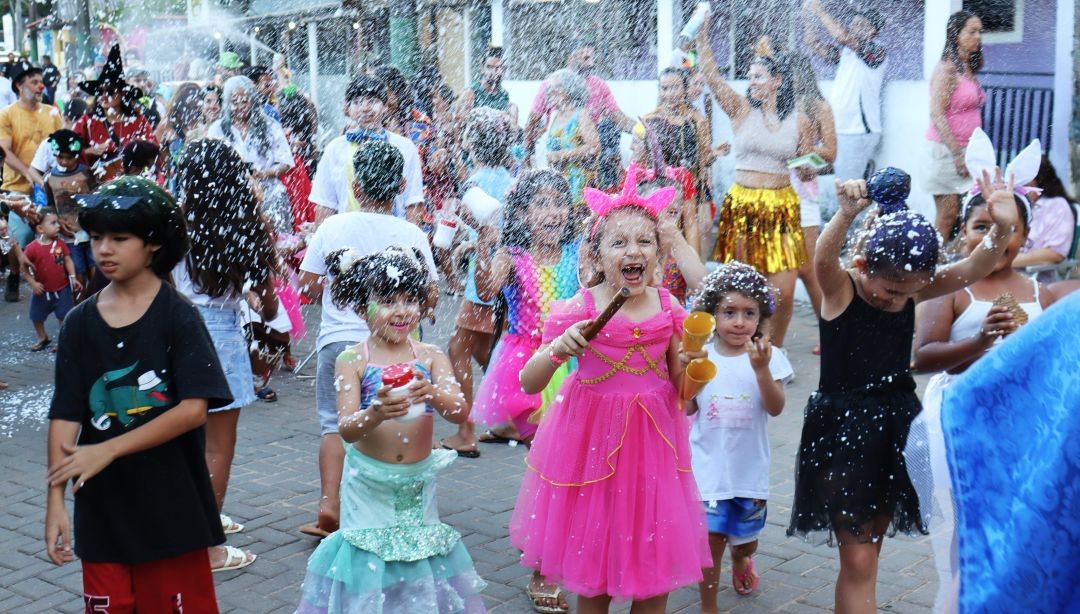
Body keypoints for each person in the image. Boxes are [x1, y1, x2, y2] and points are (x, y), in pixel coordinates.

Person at [787, 169, 1020, 614]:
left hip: (895, 425)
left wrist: (1003, 226)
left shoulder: (913, 284)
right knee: (857, 560)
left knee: (867, 558)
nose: (898, 299)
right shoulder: (842, 289)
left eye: (911, 291)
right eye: (891, 289)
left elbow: (975, 266)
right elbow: (821, 258)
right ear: (862, 266)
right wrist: (846, 214)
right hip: (844, 432)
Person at [510, 174, 711, 613]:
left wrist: (697, 369)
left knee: (654, 572)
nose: (633, 250)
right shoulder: (578, 308)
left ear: (658, 254)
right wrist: (558, 349)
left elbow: (683, 393)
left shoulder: (669, 308)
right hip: (590, 449)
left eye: (644, 241)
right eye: (619, 243)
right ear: (596, 255)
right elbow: (529, 383)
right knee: (593, 574)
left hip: (654, 451)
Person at [44, 177, 231, 612]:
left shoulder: (178, 315)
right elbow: (66, 414)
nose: (104, 249)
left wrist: (106, 449)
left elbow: (193, 410)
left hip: (173, 510)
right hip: (102, 513)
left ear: (152, 244)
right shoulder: (78, 323)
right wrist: (54, 501)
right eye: (96, 238)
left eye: (119, 238)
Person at [295, 247, 485, 613]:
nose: (401, 311)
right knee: (370, 563)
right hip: (368, 484)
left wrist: (431, 391)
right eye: (386, 300)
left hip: (416, 483)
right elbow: (347, 429)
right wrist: (377, 412)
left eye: (410, 300)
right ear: (359, 304)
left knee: (415, 561)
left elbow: (460, 409)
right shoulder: (353, 359)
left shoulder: (429, 356)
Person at [910, 172, 1054, 612]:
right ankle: (963, 595)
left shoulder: (1039, 293)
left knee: (1017, 514)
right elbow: (923, 357)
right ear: (964, 234)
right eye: (980, 227)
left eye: (1006, 229)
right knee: (967, 515)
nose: (993, 238)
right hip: (961, 416)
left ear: (1024, 236)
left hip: (1021, 421)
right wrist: (980, 341)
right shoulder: (953, 288)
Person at [296, 140, 439, 538]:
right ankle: (387, 507)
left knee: (335, 424)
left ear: (355, 187)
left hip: (339, 343)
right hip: (393, 347)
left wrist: (338, 275)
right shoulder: (411, 233)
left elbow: (307, 285)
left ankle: (330, 505)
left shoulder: (333, 226)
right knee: (391, 421)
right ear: (400, 186)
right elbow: (429, 295)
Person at [173, 140, 279, 572]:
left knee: (181, 441)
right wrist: (255, 296)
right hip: (221, 337)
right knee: (217, 447)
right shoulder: (246, 226)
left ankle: (184, 523)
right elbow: (269, 307)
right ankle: (207, 542)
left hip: (176, 332)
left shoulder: (172, 223)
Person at [695, 16, 813, 350]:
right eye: (750, 77)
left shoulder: (800, 120)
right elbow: (713, 78)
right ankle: (740, 347)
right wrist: (703, 40)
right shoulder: (740, 110)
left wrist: (808, 171)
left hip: (782, 205)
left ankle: (772, 350)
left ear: (777, 81)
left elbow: (804, 164)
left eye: (758, 76)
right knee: (743, 287)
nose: (752, 82)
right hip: (744, 204)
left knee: (784, 291)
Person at [689, 262, 791, 604]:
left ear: (761, 318)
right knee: (711, 540)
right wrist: (686, 377)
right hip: (709, 470)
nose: (739, 321)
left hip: (750, 472)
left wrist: (761, 369)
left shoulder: (769, 356)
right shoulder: (700, 356)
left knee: (745, 540)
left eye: (749, 313)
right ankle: (708, 605)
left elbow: (776, 407)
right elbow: (688, 409)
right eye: (729, 312)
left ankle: (742, 556)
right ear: (712, 314)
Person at [471, 169, 581, 445]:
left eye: (560, 203)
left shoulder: (576, 252)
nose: (554, 212)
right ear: (522, 214)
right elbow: (486, 292)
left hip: (570, 357)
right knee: (543, 439)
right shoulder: (510, 257)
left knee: (568, 438)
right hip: (527, 359)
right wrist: (483, 249)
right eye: (542, 204)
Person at [440, 107, 516, 457]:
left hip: (482, 280)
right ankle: (511, 418)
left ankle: (466, 430)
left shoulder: (474, 185)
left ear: (473, 145)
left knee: (458, 350)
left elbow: (472, 226)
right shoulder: (513, 180)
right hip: (505, 278)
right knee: (488, 351)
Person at [310, 76, 425, 225]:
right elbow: (325, 205)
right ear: (348, 108)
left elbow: (413, 202)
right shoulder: (335, 149)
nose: (365, 108)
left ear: (385, 106)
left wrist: (409, 244)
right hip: (349, 236)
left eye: (372, 101)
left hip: (393, 236)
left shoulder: (405, 148)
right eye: (357, 102)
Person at [524, 42, 635, 190]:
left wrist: (642, 130)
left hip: (581, 171)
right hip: (557, 174)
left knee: (608, 130)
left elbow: (617, 120)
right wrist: (526, 161)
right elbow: (531, 124)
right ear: (571, 59)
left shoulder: (595, 91)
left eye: (591, 58)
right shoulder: (551, 86)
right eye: (585, 58)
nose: (590, 63)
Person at [802, 0, 887, 184]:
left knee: (847, 187)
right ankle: (864, 175)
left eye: (860, 24)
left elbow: (842, 36)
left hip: (857, 131)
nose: (854, 27)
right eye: (853, 23)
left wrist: (819, 10)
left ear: (872, 31)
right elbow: (813, 44)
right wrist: (808, 15)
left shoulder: (876, 51)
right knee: (812, 168)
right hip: (839, 129)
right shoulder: (845, 53)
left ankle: (861, 187)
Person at [0, 58, 62, 302]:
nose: (40, 86)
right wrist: (28, 173)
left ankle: (61, 283)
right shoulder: (7, 114)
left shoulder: (52, 112)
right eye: (34, 82)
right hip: (16, 187)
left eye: (41, 82)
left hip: (50, 189)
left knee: (59, 233)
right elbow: (4, 151)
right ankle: (15, 272)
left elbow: (62, 144)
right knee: (22, 236)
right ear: (19, 86)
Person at [789, 53, 838, 350]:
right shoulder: (773, 108)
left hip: (802, 188)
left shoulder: (818, 107)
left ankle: (831, 329)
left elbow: (832, 153)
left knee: (808, 267)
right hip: (770, 190)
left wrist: (807, 156)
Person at [207, 76, 294, 234]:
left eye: (244, 101)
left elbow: (286, 162)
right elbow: (211, 165)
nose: (240, 106)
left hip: (270, 194)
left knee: (275, 244)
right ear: (227, 103)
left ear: (253, 101)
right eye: (235, 101)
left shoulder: (270, 126)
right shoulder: (217, 129)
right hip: (231, 197)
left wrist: (264, 173)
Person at [926, 11, 985, 242]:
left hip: (967, 152)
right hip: (947, 153)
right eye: (972, 32)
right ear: (956, 35)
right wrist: (957, 155)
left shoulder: (967, 68)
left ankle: (955, 268)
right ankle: (927, 269)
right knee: (947, 217)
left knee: (967, 215)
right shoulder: (947, 69)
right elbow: (937, 114)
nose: (978, 36)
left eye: (980, 31)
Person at [640, 68, 712, 252]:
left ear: (685, 88)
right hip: (656, 195)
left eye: (675, 87)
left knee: (688, 241)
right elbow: (639, 163)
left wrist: (703, 200)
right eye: (664, 88)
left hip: (687, 195)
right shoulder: (648, 120)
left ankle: (692, 276)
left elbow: (704, 164)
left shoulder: (698, 121)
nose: (669, 94)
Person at [73, 45, 157, 183]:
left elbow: (154, 153)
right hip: (99, 189)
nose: (105, 95)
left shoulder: (137, 120)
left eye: (110, 91)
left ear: (122, 93)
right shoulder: (87, 121)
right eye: (100, 91)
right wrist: (90, 151)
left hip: (133, 186)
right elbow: (69, 152)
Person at [39, 130, 95, 296]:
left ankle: (97, 307)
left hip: (91, 231)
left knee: (96, 272)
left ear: (77, 155)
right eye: (60, 157)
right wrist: (58, 222)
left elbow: (96, 197)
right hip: (68, 235)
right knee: (77, 275)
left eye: (69, 157)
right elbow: (49, 205)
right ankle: (79, 311)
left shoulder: (86, 173)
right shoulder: (49, 178)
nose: (64, 161)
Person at [22, 208, 81, 350]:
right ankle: (43, 337)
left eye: (57, 223)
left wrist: (73, 277)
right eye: (53, 223)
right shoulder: (32, 248)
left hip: (62, 288)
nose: (58, 226)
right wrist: (32, 283)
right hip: (42, 290)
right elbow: (23, 268)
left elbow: (67, 260)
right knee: (36, 315)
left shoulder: (60, 244)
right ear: (40, 228)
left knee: (63, 316)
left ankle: (63, 339)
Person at [539, 68, 600, 207]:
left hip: (579, 186)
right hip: (558, 187)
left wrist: (563, 155)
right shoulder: (554, 116)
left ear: (570, 89)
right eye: (550, 87)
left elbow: (594, 148)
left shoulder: (581, 114)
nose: (552, 90)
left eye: (558, 86)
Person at [1012, 155, 1077, 279]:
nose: (1018, 184)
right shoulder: (1020, 204)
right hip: (1007, 276)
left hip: (1034, 281)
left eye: (1025, 179)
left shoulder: (1057, 206)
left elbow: (1055, 254)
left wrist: (1007, 260)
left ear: (1039, 180)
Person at [154, 82, 203, 190]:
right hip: (175, 181)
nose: (195, 111)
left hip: (198, 178)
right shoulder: (167, 125)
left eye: (197, 107)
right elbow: (157, 156)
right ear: (181, 105)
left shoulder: (201, 124)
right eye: (191, 107)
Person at [455, 45, 518, 127]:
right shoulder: (470, 93)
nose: (493, 72)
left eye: (497, 68)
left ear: (503, 70)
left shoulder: (504, 94)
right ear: (482, 68)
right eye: (489, 67)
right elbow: (459, 123)